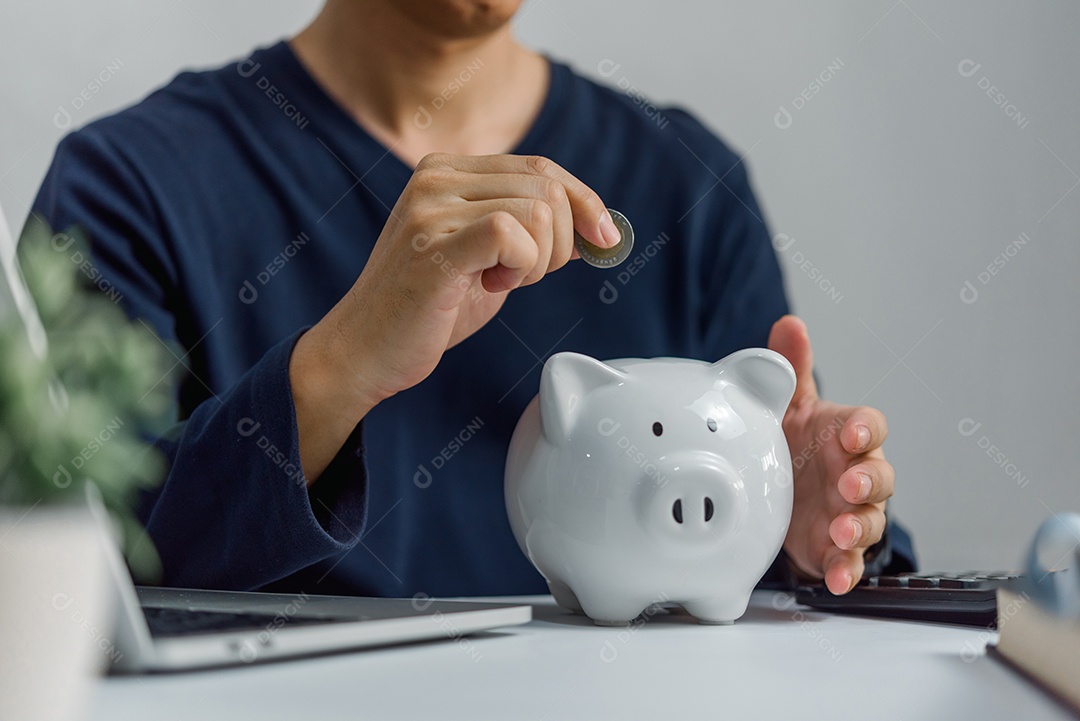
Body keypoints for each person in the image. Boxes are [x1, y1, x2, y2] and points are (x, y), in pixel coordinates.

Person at [30, 0, 914, 599]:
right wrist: (342, 362)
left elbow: (807, 571)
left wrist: (801, 531)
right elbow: (70, 574)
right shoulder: (130, 183)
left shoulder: (689, 186)